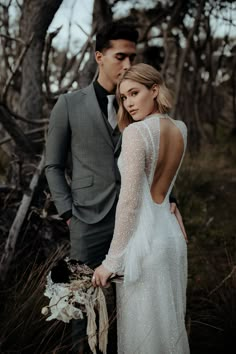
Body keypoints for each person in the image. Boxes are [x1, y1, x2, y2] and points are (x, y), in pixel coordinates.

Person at [45, 20, 184, 354]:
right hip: (86, 221)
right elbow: (52, 165)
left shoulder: (139, 105)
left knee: (133, 306)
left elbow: (156, 159)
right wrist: (68, 214)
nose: (127, 65)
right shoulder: (69, 104)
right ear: (98, 56)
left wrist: (169, 201)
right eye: (120, 56)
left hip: (139, 223)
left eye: (132, 58)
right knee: (82, 309)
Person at [93, 63, 190, 354]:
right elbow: (164, 190)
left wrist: (112, 261)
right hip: (172, 240)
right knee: (169, 331)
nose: (129, 103)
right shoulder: (180, 129)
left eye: (135, 93)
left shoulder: (136, 133)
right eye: (123, 98)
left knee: (145, 338)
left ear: (155, 90)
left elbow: (130, 201)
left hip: (145, 249)